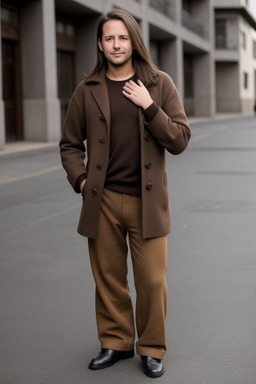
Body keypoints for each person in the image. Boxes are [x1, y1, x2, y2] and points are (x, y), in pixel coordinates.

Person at [59, 9, 191, 378]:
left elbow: (180, 139)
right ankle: (115, 343)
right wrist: (82, 183)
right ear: (100, 44)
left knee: (151, 280)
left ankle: (151, 347)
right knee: (108, 278)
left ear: (133, 40)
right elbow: (70, 144)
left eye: (122, 37)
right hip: (101, 201)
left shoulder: (158, 83)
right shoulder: (87, 90)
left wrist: (148, 106)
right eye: (109, 39)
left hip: (148, 201)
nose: (116, 45)